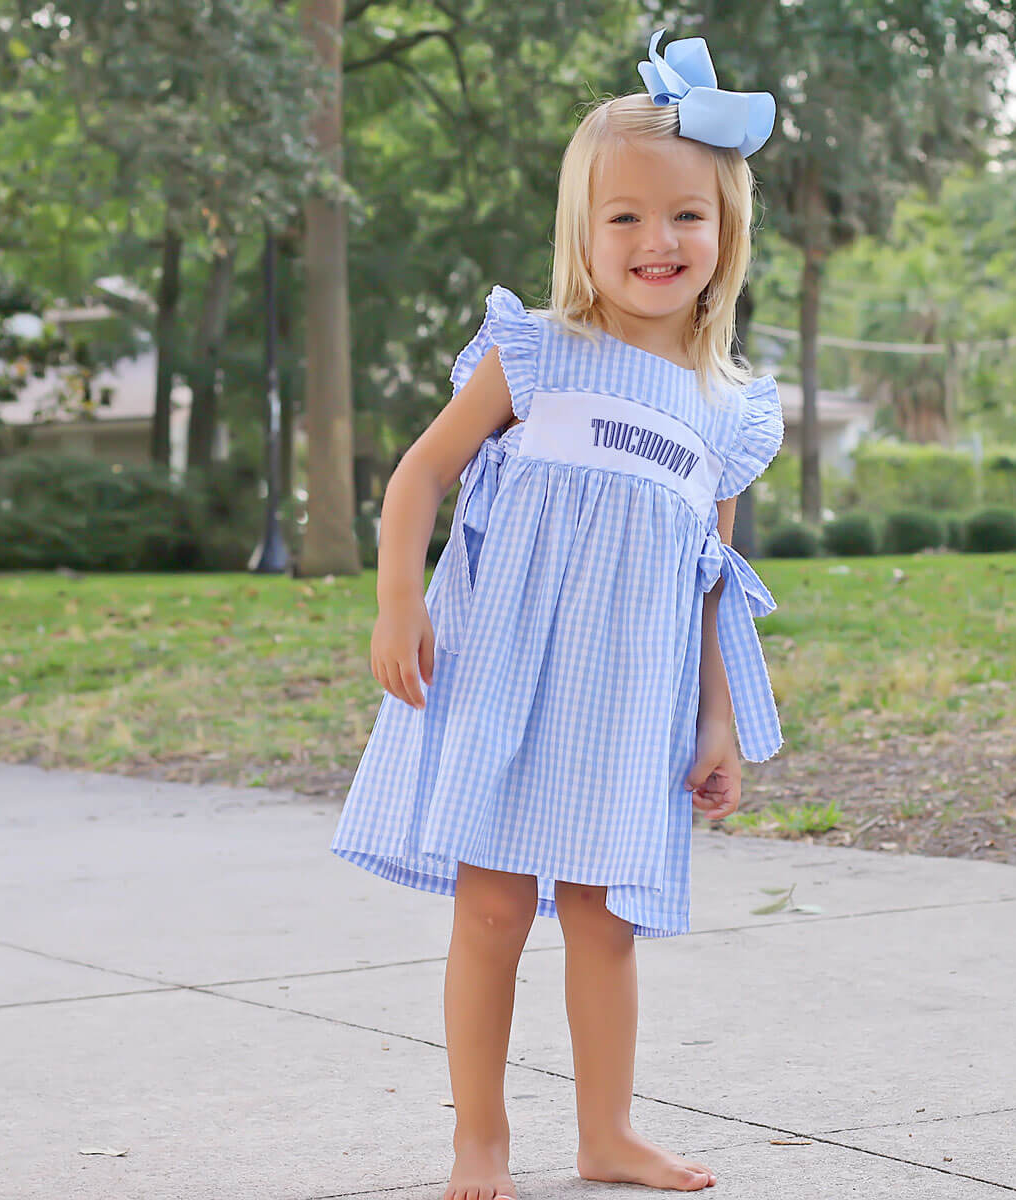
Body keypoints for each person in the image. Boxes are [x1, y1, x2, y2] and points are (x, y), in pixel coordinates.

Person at [331, 27, 783, 1200]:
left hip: (629, 688)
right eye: (623, 217)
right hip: (503, 664)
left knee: (603, 918)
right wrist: (395, 602)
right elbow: (418, 477)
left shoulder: (726, 411)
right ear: (583, 234)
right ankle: (479, 1134)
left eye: (685, 216)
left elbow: (710, 579)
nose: (656, 241)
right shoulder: (540, 351)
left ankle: (608, 1135)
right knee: (490, 907)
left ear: (726, 230)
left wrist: (716, 724)